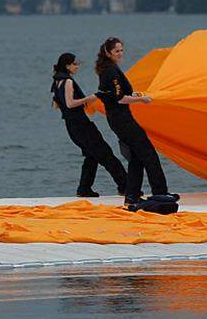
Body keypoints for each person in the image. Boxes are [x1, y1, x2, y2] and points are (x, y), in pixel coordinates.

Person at [93, 37, 178, 210]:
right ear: (108, 52)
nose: (120, 53)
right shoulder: (110, 71)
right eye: (116, 51)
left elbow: (115, 94)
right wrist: (141, 100)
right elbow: (120, 99)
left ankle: (131, 197)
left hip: (118, 119)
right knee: (149, 155)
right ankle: (160, 193)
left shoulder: (110, 69)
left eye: (122, 50)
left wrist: (138, 95)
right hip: (122, 120)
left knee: (137, 159)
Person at [51, 52, 128, 198]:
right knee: (105, 154)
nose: (77, 66)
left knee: (92, 156)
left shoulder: (57, 81)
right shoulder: (67, 81)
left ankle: (84, 189)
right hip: (81, 125)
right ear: (67, 65)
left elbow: (56, 105)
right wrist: (90, 98)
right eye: (75, 64)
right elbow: (70, 103)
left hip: (72, 126)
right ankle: (126, 186)